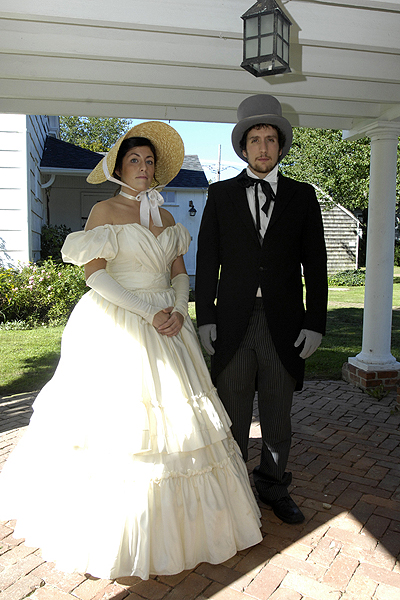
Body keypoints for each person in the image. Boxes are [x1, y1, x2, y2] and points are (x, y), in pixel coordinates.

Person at [0, 121, 262, 580]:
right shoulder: (103, 210)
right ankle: (112, 534)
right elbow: (94, 275)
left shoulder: (168, 218)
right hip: (119, 321)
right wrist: (146, 310)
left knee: (179, 424)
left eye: (149, 161)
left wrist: (179, 309)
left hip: (169, 322)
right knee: (116, 426)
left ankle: (188, 530)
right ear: (119, 167)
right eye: (134, 160)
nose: (144, 167)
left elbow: (180, 272)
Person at [195, 95, 328, 525]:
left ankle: (272, 484)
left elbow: (317, 264)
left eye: (271, 139)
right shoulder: (219, 195)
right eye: (255, 140)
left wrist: (316, 322)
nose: (263, 148)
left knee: (277, 417)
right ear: (243, 147)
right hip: (233, 323)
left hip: (283, 325)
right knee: (232, 418)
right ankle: (233, 490)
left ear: (281, 146)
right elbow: (206, 262)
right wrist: (207, 317)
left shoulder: (303, 197)